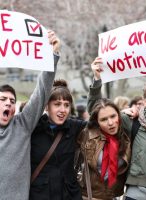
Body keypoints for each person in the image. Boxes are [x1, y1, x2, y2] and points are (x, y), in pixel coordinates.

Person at [29, 57, 103, 199]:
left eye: (66, 105)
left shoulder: (74, 127)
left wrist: (97, 79)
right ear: (46, 106)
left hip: (68, 194)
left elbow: (96, 118)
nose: (63, 109)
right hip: (39, 195)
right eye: (57, 104)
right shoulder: (33, 128)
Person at [0, 30, 60, 200]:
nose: (8, 103)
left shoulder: (22, 125)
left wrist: (52, 56)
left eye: (12, 101)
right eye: (2, 99)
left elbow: (41, 91)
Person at [78, 98, 131, 200]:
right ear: (97, 122)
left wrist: (126, 113)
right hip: (87, 196)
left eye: (113, 116)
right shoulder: (87, 135)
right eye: (103, 119)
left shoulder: (126, 136)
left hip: (112, 196)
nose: (110, 123)